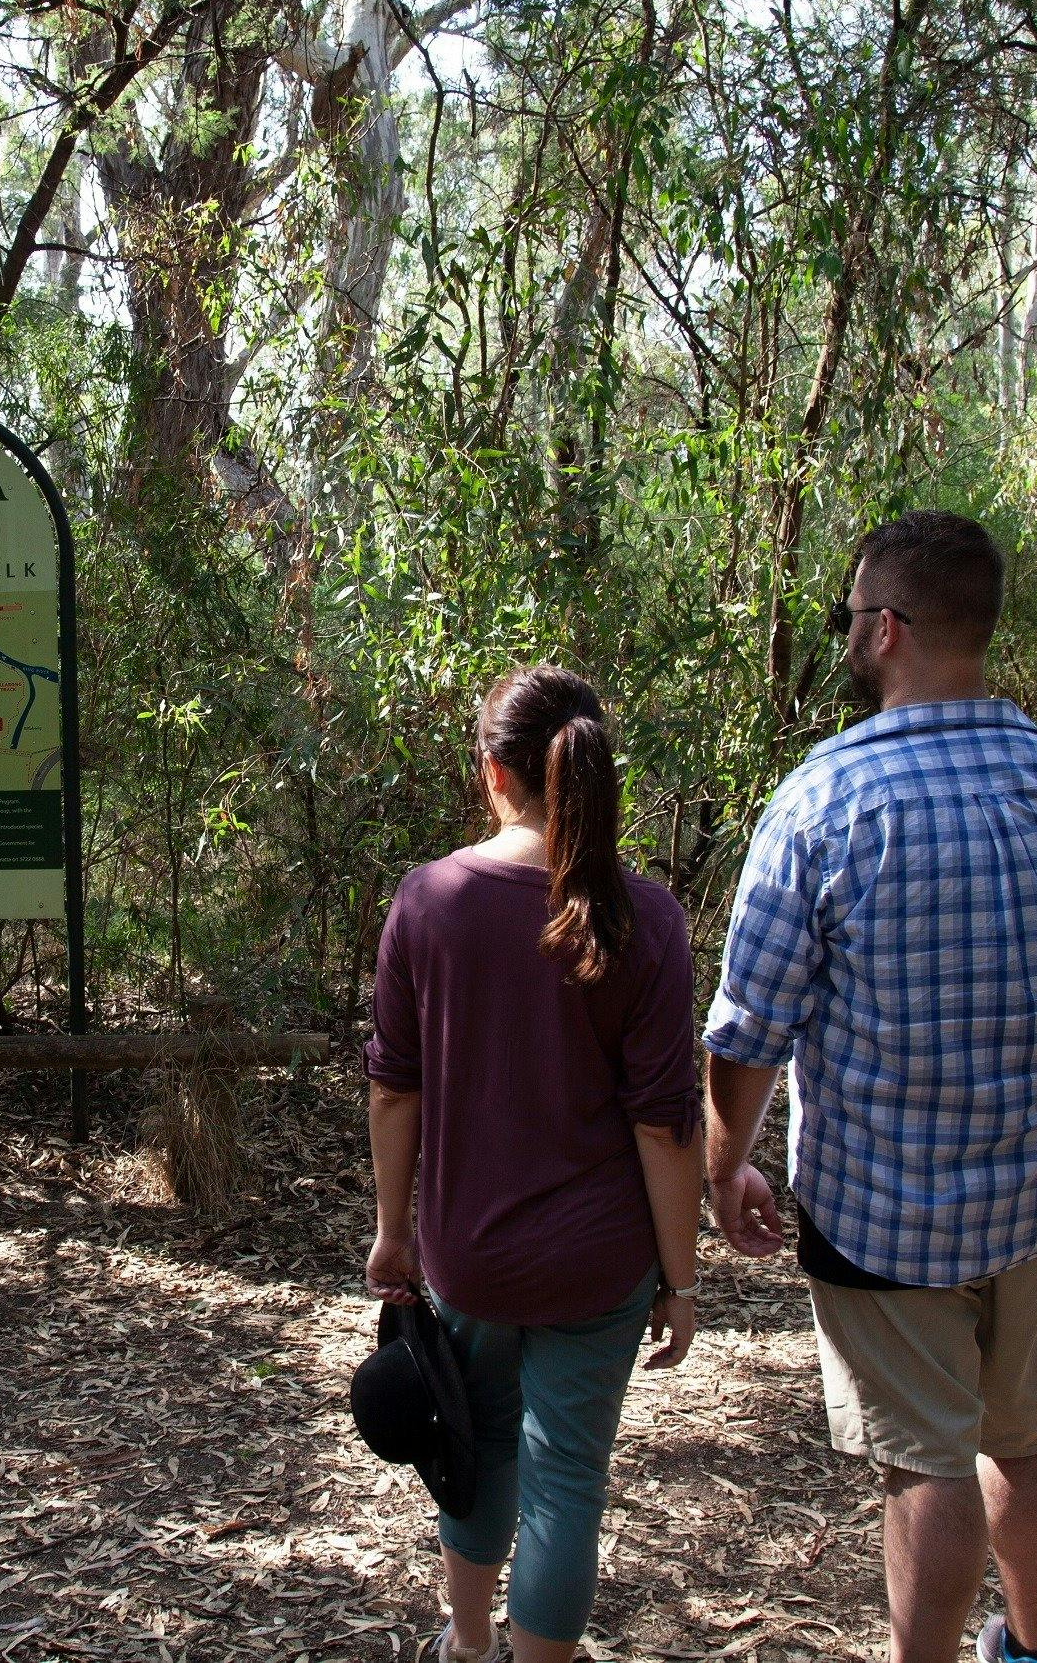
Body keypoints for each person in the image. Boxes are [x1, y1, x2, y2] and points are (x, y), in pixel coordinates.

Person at [700, 512, 1037, 1663]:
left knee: (925, 1464)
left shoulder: (823, 802)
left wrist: (721, 1159)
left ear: (884, 629)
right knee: (1023, 1438)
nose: (846, 633)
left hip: (883, 1216)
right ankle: (1033, 1646)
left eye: (849, 617)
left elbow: (751, 1026)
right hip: (1030, 1202)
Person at [364, 665, 704, 1663]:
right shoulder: (648, 918)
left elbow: (394, 1086)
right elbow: (663, 1125)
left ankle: (468, 1644)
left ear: (493, 775)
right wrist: (680, 1278)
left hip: (468, 1252)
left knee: (477, 1445)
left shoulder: (429, 900)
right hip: (599, 1265)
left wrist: (394, 1233)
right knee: (568, 1478)